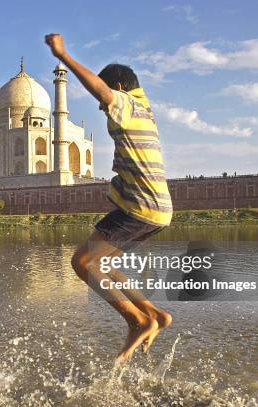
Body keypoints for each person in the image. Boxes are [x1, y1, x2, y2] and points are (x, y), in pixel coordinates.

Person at [45, 33, 173, 363]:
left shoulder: (126, 104)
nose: (102, 106)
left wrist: (63, 54)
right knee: (103, 264)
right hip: (154, 209)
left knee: (82, 263)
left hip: (141, 207)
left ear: (116, 86)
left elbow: (103, 92)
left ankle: (137, 321)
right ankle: (153, 314)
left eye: (105, 98)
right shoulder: (144, 107)